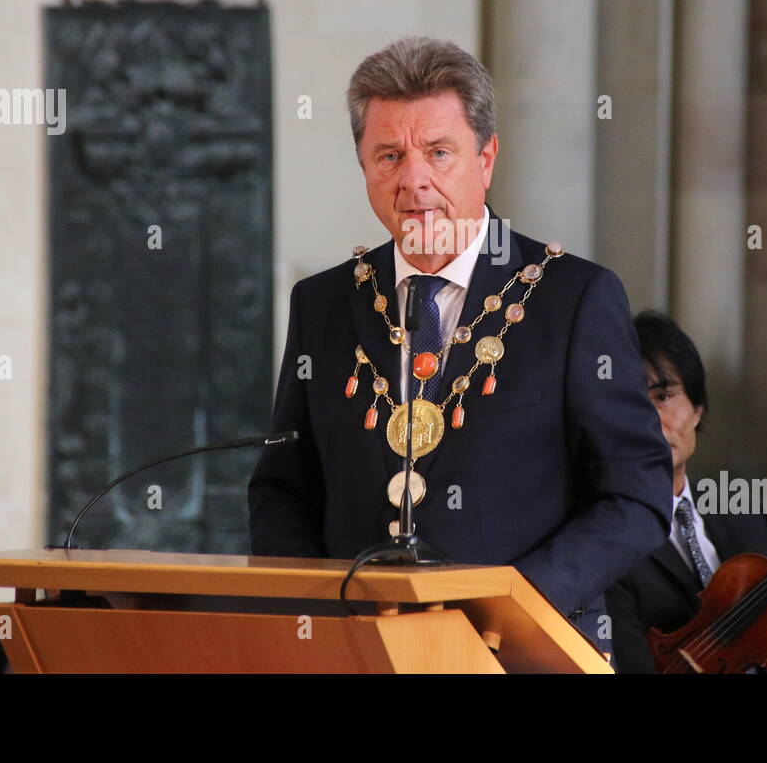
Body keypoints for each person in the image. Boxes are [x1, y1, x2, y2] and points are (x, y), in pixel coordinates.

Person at [248, 36, 672, 645]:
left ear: (487, 158)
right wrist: (322, 618)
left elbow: (635, 494)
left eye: (439, 153)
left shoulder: (573, 298)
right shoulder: (321, 304)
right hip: (362, 653)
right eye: (388, 156)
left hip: (520, 650)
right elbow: (282, 490)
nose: (413, 180)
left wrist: (505, 609)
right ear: (363, 166)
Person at [605, 311, 767, 673]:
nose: (649, 419)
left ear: (696, 409)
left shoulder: (746, 519)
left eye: (663, 395)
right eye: (631, 401)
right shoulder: (605, 536)